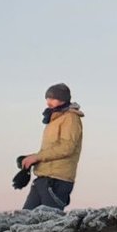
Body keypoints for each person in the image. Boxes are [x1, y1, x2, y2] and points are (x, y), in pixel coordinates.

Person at [20, 83, 84, 211]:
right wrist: (31, 158)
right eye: (47, 97)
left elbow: (67, 148)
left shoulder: (70, 118)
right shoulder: (54, 119)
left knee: (48, 224)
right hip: (43, 178)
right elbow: (51, 149)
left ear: (62, 99)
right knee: (24, 220)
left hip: (57, 180)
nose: (48, 101)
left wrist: (37, 157)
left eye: (52, 98)